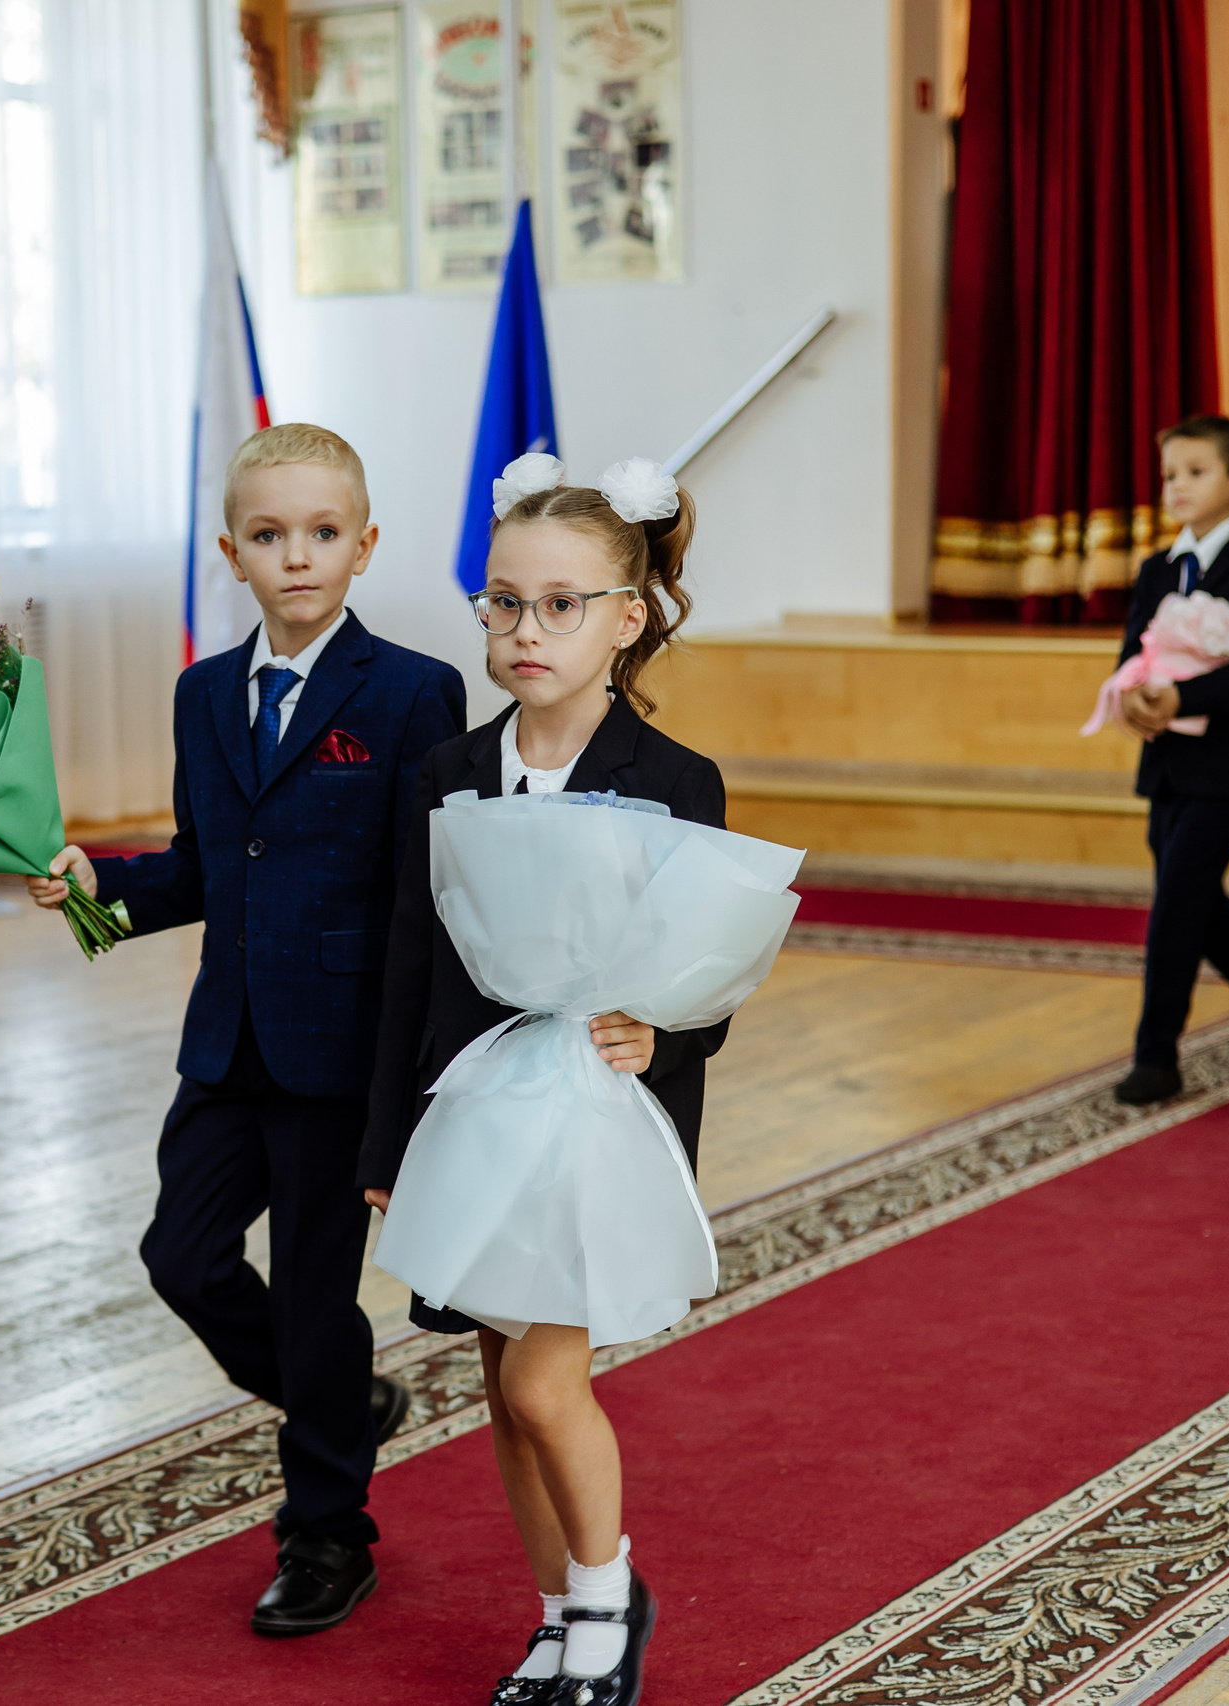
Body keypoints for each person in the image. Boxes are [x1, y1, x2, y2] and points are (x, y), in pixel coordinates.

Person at [24, 422, 465, 1634]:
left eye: (323, 533)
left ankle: (328, 1534)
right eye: (270, 536)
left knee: (319, 1297)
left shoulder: (413, 689)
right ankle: (336, 1399)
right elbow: (202, 868)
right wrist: (94, 888)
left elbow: (428, 892)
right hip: (225, 1047)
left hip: (342, 1054)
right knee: (183, 1255)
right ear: (231, 550)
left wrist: (416, 1081)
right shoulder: (201, 693)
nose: (298, 557)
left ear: (365, 545)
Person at [358, 460, 725, 1706]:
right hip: (474, 1117)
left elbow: (706, 971)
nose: (526, 630)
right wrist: (385, 1144)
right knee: (500, 1394)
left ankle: (612, 1605)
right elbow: (412, 957)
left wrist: (660, 1039)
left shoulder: (677, 779)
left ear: (627, 615)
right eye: (504, 602)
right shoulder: (452, 769)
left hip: (599, 1117)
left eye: (560, 604)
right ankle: (559, 1611)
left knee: (540, 1375)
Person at [1108, 417, 1229, 1106]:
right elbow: (1134, 651)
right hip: (1166, 761)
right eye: (1170, 475)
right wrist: (1133, 696)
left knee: (1178, 898)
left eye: (1196, 472)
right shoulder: (1157, 570)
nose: (1178, 486)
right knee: (1189, 893)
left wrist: (1184, 696)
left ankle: (1155, 1056)